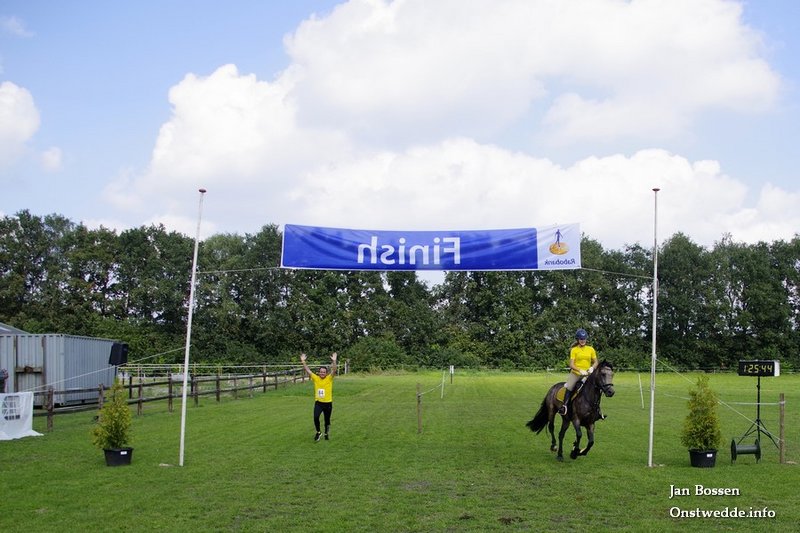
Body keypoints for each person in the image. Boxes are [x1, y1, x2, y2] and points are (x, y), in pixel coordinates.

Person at [558, 328, 598, 416]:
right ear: (578, 339)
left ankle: (597, 409)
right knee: (569, 386)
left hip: (588, 374)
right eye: (581, 339)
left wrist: (592, 367)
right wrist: (579, 370)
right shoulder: (574, 350)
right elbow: (571, 364)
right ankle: (564, 406)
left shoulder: (591, 349)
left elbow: (596, 362)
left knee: (596, 387)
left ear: (586, 339)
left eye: (584, 339)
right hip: (576, 374)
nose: (582, 341)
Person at [300, 352, 337, 442]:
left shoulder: (329, 378)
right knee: (316, 417)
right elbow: (308, 370)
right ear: (319, 372)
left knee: (327, 420)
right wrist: (303, 361)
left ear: (326, 373)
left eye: (324, 372)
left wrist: (334, 361)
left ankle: (326, 433)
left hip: (328, 403)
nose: (322, 373)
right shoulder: (316, 378)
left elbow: (334, 370)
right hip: (319, 403)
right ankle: (318, 432)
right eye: (321, 372)